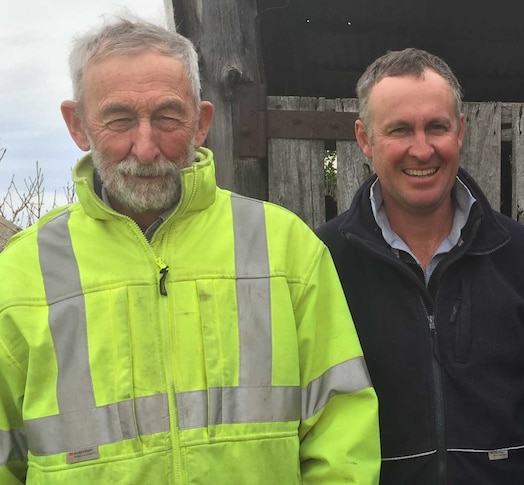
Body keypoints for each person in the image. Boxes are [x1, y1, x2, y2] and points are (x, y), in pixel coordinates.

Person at [0, 18, 380, 484]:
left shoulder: (286, 248)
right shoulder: (18, 274)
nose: (144, 147)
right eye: (119, 119)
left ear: (201, 123)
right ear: (78, 125)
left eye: (167, 117)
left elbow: (341, 429)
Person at [316, 47, 524, 484]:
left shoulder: (522, 258)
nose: (422, 148)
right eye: (399, 130)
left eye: (437, 127)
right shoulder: (323, 261)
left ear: (461, 131)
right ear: (364, 139)